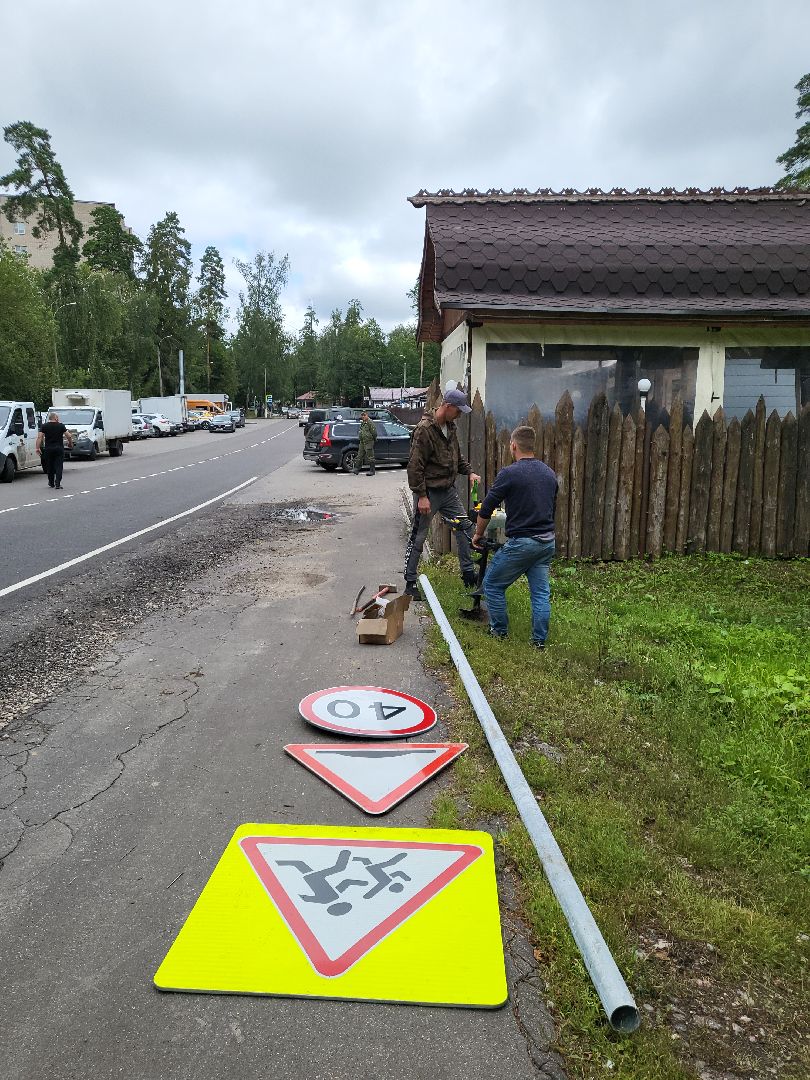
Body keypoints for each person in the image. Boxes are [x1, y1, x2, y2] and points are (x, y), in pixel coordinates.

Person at [472, 424, 558, 649]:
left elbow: (487, 507)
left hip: (524, 543)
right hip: (547, 542)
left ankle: (498, 632)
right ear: (533, 445)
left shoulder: (510, 473)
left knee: (492, 584)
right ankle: (539, 642)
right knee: (540, 593)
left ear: (513, 445)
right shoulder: (549, 473)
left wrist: (478, 534)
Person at [404, 388, 481, 600]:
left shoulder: (450, 427)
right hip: (428, 493)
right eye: (458, 411)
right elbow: (414, 466)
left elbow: (456, 455)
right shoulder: (425, 430)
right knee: (418, 537)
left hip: (448, 491)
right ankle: (410, 583)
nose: (459, 415)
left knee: (464, 528)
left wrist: (470, 472)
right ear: (447, 407)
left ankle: (468, 574)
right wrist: (421, 496)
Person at [36, 411, 73, 490]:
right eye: (58, 417)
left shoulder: (44, 426)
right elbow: (69, 436)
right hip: (59, 449)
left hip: (48, 449)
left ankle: (51, 482)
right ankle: (58, 483)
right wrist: (70, 444)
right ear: (55, 418)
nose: (58, 419)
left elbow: (39, 437)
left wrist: (37, 448)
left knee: (50, 466)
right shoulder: (61, 426)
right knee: (59, 466)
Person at [353, 412, 377, 476]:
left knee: (370, 456)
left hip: (368, 441)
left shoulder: (370, 422)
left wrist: (373, 439)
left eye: (364, 415)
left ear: (367, 415)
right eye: (362, 415)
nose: (363, 416)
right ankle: (356, 469)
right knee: (360, 455)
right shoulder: (363, 423)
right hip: (362, 441)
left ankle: (372, 471)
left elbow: (374, 432)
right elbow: (361, 431)